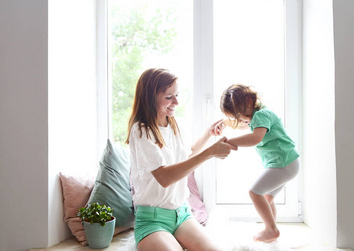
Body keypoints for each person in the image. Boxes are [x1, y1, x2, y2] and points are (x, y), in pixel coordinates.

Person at [126, 68, 237, 251]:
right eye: (169, 97)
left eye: (176, 95)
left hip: (182, 215)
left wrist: (208, 134)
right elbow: (164, 177)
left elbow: (185, 159)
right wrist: (210, 153)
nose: (176, 102)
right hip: (152, 220)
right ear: (150, 97)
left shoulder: (172, 123)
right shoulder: (141, 130)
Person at [216, 84, 299, 243]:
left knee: (255, 192)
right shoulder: (258, 115)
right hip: (287, 163)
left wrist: (228, 142)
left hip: (283, 163)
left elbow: (255, 138)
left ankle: (271, 230)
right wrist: (226, 123)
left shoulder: (261, 115)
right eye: (237, 117)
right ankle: (271, 232)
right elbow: (243, 125)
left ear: (249, 100)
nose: (240, 119)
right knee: (267, 198)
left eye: (239, 114)